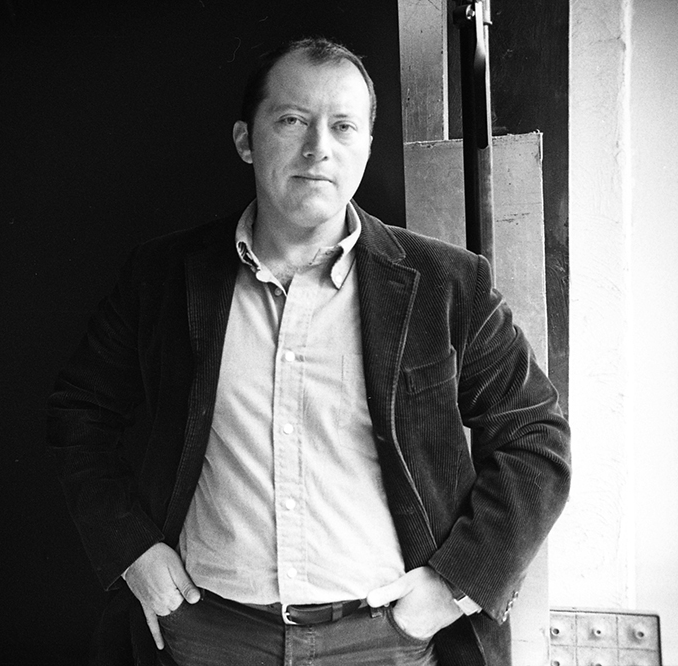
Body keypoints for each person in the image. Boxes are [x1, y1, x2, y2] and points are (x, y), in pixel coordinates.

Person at [48, 37, 570, 666]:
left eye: (343, 126)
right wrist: (131, 550)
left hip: (387, 641)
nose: (318, 147)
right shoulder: (162, 277)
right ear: (246, 140)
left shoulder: (446, 284)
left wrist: (454, 585)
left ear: (367, 145)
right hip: (209, 636)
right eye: (292, 120)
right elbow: (80, 413)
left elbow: (535, 439)